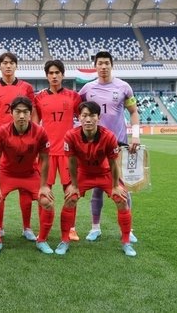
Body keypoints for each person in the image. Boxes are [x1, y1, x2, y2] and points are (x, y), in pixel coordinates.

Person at [56, 101, 136, 257]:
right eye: (84, 115)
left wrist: (115, 186)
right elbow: (71, 163)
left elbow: (113, 164)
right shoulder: (71, 136)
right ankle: (65, 240)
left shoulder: (108, 136)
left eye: (92, 115)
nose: (88, 119)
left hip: (104, 173)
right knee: (70, 198)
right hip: (83, 174)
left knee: (121, 199)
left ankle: (126, 241)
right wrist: (73, 184)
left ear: (98, 118)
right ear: (79, 118)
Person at [79, 51, 139, 243]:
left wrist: (135, 136)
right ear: (95, 66)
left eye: (106, 63)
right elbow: (78, 112)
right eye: (100, 63)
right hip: (94, 145)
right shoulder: (87, 89)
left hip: (119, 143)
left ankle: (128, 230)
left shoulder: (124, 87)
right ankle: (95, 227)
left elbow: (134, 112)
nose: (103, 67)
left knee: (123, 187)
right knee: (98, 187)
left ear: (111, 65)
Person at [0, 96, 54, 255]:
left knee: (47, 202)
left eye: (25, 112)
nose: (21, 116)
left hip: (30, 175)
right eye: (18, 112)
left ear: (30, 114)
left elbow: (44, 160)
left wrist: (44, 185)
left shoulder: (40, 132)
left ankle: (42, 240)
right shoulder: (2, 132)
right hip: (7, 174)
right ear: (11, 112)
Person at [0, 52, 36, 240]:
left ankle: (27, 228)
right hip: (2, 145)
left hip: (25, 143)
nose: (8, 66)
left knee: (26, 187)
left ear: (16, 66)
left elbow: (34, 115)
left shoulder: (27, 88)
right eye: (5, 63)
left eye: (11, 63)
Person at [32, 59, 82, 241]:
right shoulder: (39, 98)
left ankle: (71, 228)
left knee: (71, 191)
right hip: (46, 153)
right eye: (50, 73)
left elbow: (83, 120)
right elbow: (35, 125)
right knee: (43, 191)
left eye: (57, 73)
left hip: (68, 153)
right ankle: (42, 229)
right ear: (46, 76)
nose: (54, 76)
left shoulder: (74, 97)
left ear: (63, 75)